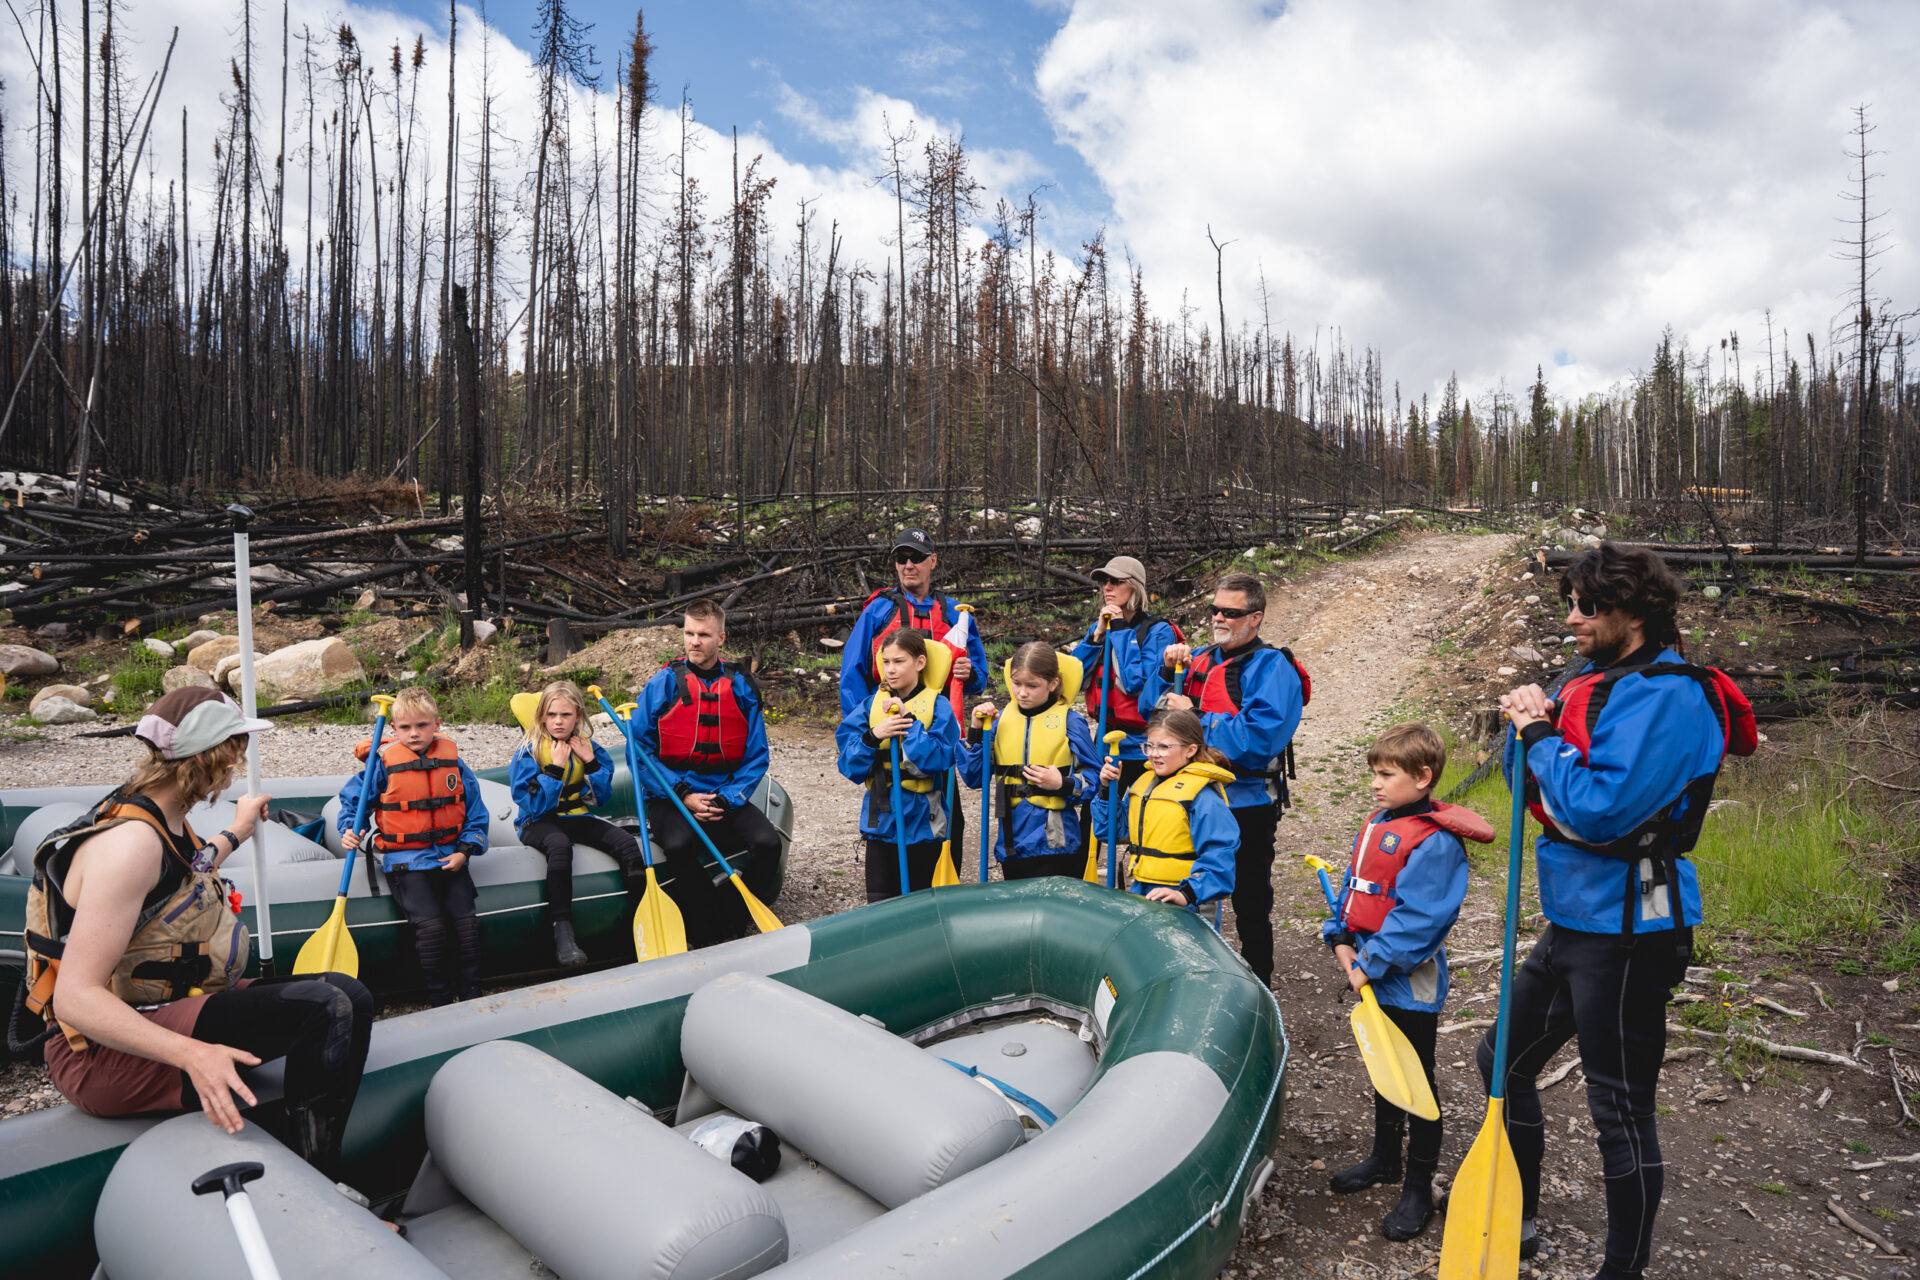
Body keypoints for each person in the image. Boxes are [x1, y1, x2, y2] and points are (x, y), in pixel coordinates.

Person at [1483, 541, 1755, 1278]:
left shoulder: (1670, 696)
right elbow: (1532, 786)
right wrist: (1530, 728)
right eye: (1569, 603)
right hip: (1574, 920)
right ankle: (1521, 1215)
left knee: (1619, 1110)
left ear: (1630, 611)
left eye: (1585, 605)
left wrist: (1538, 735)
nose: (1571, 618)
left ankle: (1622, 1269)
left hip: (1632, 932)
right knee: (1499, 1061)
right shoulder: (1596, 679)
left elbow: (1601, 812)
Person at [17, 687, 373, 1180]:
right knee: (325, 1007)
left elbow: (183, 879)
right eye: (235, 749)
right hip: (99, 1057)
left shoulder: (162, 815)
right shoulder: (129, 846)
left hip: (169, 1004)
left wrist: (236, 832)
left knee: (345, 993)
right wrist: (194, 1054)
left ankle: (311, 1154)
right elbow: (75, 999)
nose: (238, 763)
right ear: (212, 756)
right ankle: (322, 1181)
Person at [1321, 723, 1492, 1242]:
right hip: (1368, 965)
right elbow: (1358, 887)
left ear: (1423, 777)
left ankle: (1418, 1186)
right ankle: (1384, 1159)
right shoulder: (1380, 822)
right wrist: (1340, 937)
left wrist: (1369, 963)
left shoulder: (1435, 844)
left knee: (1416, 1080)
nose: (1375, 783)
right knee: (1384, 1070)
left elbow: (1420, 920)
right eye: (1374, 773)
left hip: (1405, 978)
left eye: (1386, 774)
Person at [1154, 572, 1305, 986]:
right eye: (1214, 609)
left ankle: (1259, 986)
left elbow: (1261, 739)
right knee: (1185, 889)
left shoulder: (1273, 667)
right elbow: (1156, 720)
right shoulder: (1199, 659)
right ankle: (1188, 978)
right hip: (1188, 802)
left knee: (1251, 902)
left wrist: (1196, 718)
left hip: (1245, 804)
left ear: (1255, 618)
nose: (1219, 618)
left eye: (1231, 612)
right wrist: (1166, 675)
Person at [633, 599, 782, 945]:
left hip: (724, 791)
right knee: (679, 845)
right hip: (671, 795)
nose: (694, 641)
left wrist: (727, 800)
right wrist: (682, 794)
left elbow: (757, 755)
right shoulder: (663, 683)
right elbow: (638, 750)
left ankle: (730, 912)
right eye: (688, 633)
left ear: (721, 638)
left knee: (768, 844)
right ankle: (703, 926)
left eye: (703, 634)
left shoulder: (741, 685)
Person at [335, 686, 489, 1006]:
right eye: (405, 727)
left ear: (437, 724)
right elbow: (355, 804)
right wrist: (350, 830)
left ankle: (473, 992)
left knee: (467, 925)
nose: (414, 733)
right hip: (406, 862)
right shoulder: (382, 764)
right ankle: (440, 999)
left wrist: (464, 851)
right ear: (393, 729)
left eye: (421, 726)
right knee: (431, 928)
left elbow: (476, 815)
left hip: (450, 856)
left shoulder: (455, 765)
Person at [509, 681, 643, 967]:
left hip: (577, 816)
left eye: (566, 715)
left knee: (627, 844)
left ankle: (641, 923)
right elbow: (533, 803)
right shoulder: (528, 752)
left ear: (578, 717)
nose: (559, 721)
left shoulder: (587, 746)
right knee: (559, 845)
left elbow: (603, 797)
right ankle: (563, 933)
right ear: (542, 716)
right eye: (552, 714)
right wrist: (555, 769)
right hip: (538, 821)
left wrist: (591, 762)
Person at [835, 629, 961, 901]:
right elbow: (847, 765)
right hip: (881, 821)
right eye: (886, 661)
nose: (890, 670)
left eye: (899, 661)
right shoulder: (870, 706)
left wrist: (910, 725)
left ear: (920, 663)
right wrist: (874, 736)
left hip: (923, 824)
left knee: (920, 906)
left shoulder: (939, 707)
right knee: (879, 904)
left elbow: (939, 758)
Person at [960, 642, 1100, 879]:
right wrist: (975, 731)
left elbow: (1096, 781)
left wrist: (1063, 783)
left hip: (1056, 844)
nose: (1022, 692)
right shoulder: (998, 722)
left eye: (1032, 686)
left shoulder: (1071, 722)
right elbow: (973, 777)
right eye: (1017, 684)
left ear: (1053, 683)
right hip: (1012, 840)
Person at [1092, 708, 1238, 908]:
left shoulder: (1203, 797)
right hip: (1143, 891)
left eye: (1164, 747)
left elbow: (1220, 858)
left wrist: (1186, 894)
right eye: (1149, 746)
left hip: (1186, 898)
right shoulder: (1144, 785)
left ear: (1190, 750)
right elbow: (1110, 831)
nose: (1153, 754)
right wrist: (1107, 790)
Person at [1071, 555, 1184, 801]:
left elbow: (1135, 685)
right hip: (1103, 741)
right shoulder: (1102, 626)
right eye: (1104, 582)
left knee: (1134, 818)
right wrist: (1098, 635)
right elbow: (1072, 680)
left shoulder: (1159, 631)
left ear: (1134, 586)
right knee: (1092, 818)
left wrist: (1120, 631)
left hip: (1141, 747)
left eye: (1116, 581)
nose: (1107, 588)